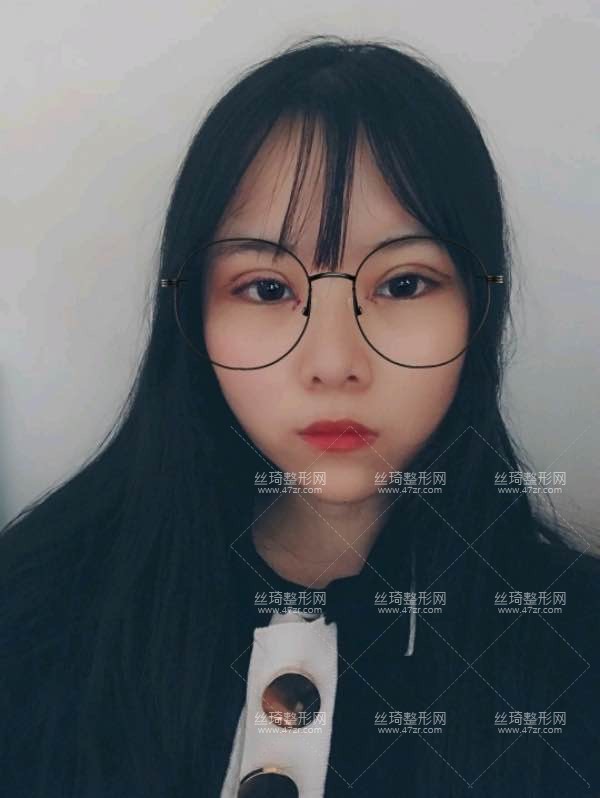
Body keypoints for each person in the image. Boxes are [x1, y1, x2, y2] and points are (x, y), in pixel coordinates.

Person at [1, 35, 599, 798]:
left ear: (479, 309)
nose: (334, 361)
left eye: (404, 284)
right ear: (193, 313)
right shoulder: (36, 614)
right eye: (268, 288)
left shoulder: (574, 645)